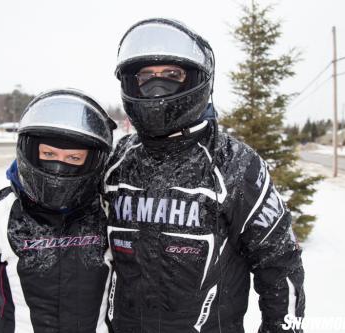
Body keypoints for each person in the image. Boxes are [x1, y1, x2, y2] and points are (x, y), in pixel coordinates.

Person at [103, 18, 305, 333]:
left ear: (197, 80)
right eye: (146, 77)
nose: (157, 87)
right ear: (131, 83)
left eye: (172, 75)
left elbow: (280, 264)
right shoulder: (117, 161)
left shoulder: (235, 164)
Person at [0, 88, 117, 333]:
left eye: (74, 158)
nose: (59, 166)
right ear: (32, 150)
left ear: (91, 161)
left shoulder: (108, 213)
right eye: (49, 154)